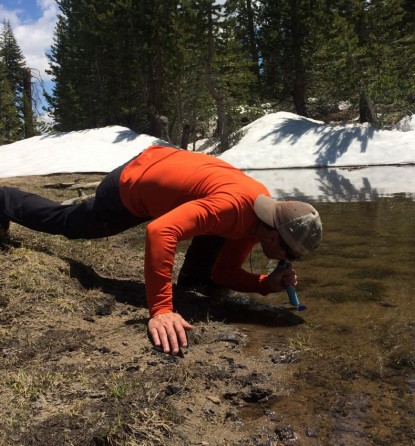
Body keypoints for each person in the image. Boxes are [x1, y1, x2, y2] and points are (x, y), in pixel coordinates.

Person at [0, 145, 322, 355]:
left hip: (163, 168)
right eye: (290, 254)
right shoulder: (233, 208)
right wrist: (162, 310)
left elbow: (223, 272)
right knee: (70, 224)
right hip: (133, 183)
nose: (287, 260)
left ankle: (192, 285)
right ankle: (6, 199)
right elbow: (159, 230)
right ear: (275, 235)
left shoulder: (260, 218)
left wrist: (265, 284)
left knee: (210, 277)